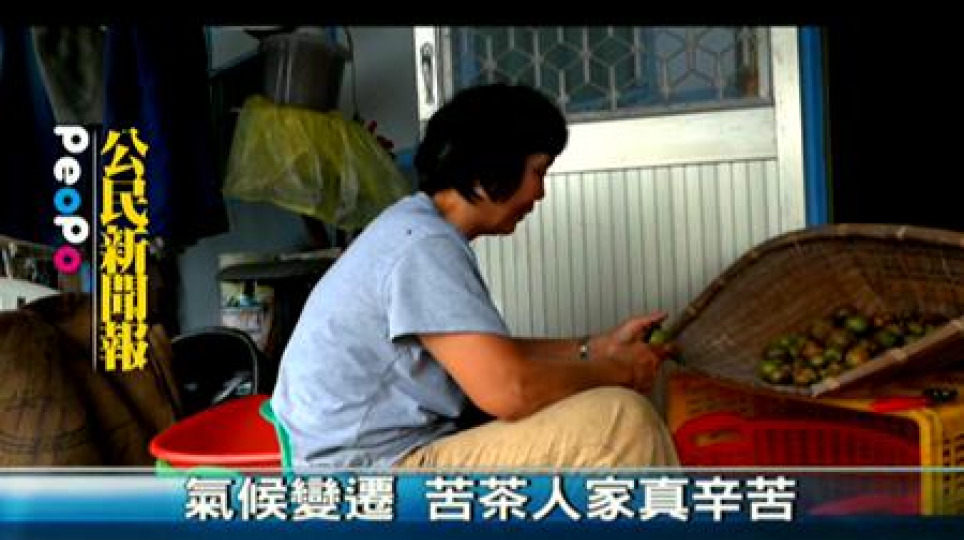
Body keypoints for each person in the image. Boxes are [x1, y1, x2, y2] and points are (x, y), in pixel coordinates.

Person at [271, 82, 680, 469]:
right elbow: (509, 390)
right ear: (489, 174)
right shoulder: (422, 246)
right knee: (620, 424)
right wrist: (621, 372)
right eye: (538, 172)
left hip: (382, 454)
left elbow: (492, 356)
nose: (540, 193)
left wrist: (596, 348)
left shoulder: (414, 228)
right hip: (371, 471)